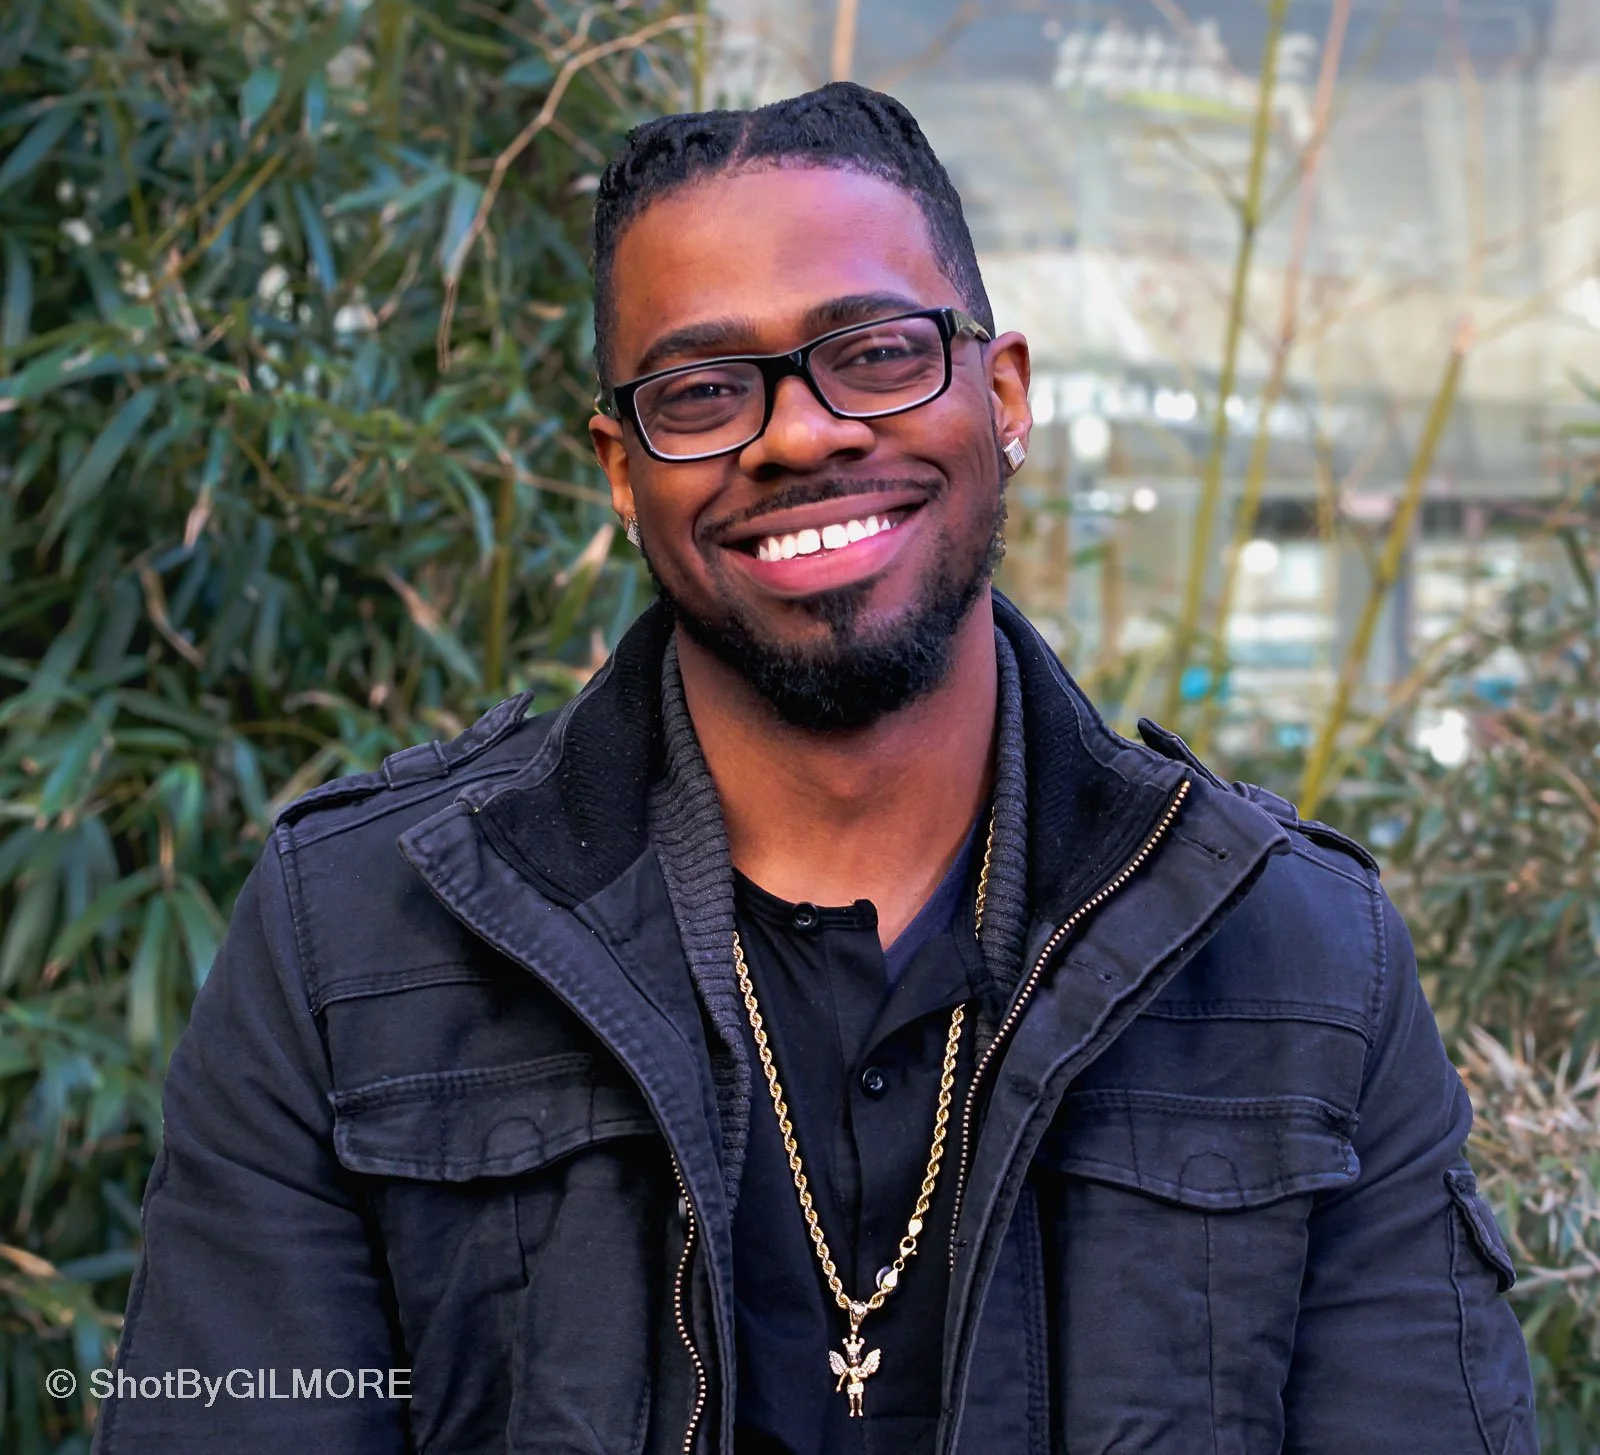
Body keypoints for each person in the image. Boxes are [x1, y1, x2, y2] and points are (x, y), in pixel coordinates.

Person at [96, 83, 1535, 1455]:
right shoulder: (355, 943)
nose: (799, 432)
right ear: (621, 468)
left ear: (1005, 395)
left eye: (879, 353)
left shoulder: (1297, 957)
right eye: (701, 390)